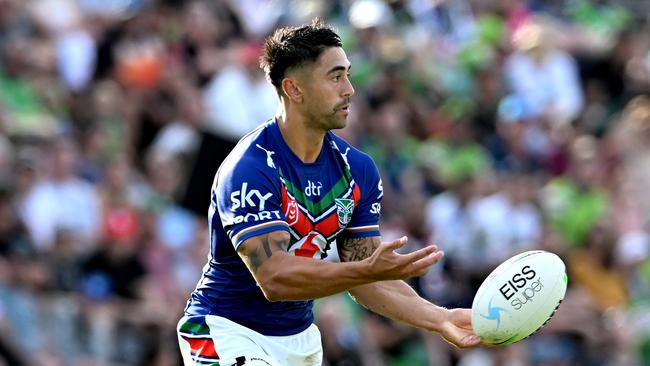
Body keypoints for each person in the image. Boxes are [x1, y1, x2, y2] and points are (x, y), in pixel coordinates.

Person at [177, 19, 483, 366]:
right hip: (226, 331)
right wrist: (367, 270)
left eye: (348, 74)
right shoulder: (249, 168)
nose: (350, 89)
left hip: (300, 340)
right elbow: (275, 278)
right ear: (294, 90)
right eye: (335, 76)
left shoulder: (358, 169)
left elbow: (366, 276)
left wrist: (439, 318)